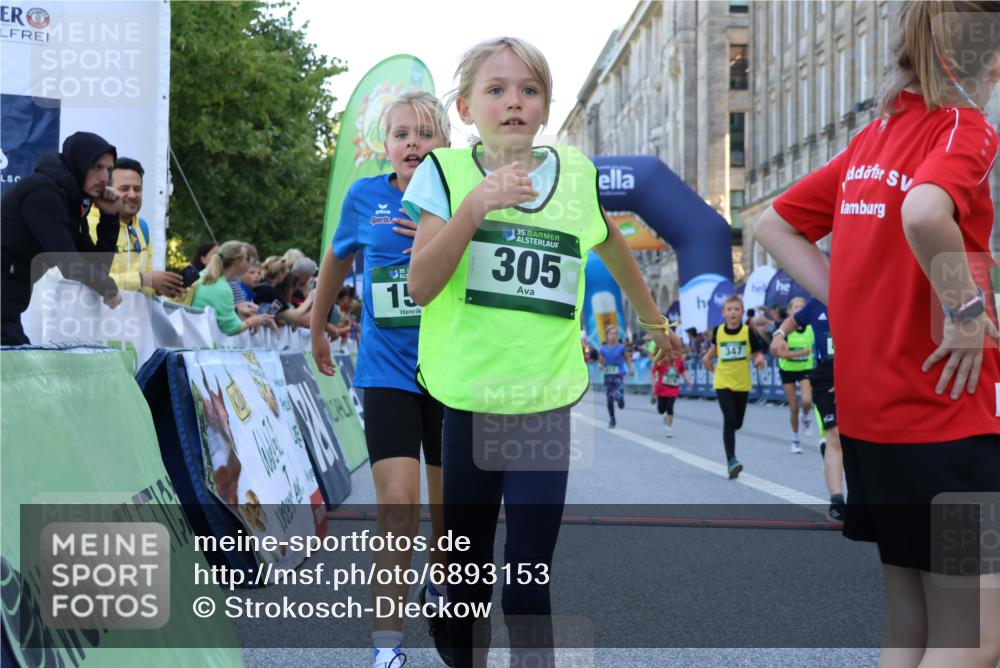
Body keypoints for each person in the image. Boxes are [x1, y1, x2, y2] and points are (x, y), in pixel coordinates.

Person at [403, 37, 682, 668]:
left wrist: (653, 320)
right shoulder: (443, 173)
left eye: (529, 91)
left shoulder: (576, 175)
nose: (513, 104)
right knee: (466, 579)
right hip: (468, 400)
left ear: (546, 107)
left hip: (543, 402)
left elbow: (612, 246)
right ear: (467, 107)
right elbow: (420, 285)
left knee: (528, 581)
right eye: (495, 90)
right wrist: (475, 206)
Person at [756, 3, 1000, 664]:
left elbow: (773, 225)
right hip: (947, 425)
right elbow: (925, 212)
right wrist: (967, 312)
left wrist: (853, 298)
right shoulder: (963, 129)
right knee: (974, 638)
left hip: (877, 430)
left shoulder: (871, 143)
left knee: (909, 628)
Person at [310, 90, 453, 668]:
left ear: (444, 142)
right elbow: (337, 260)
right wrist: (318, 326)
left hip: (452, 373)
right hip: (387, 371)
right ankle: (387, 647)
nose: (413, 143)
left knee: (449, 521)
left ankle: (443, 583)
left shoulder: (464, 193)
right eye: (402, 134)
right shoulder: (364, 197)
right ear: (387, 145)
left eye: (424, 133)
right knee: (397, 508)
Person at [1, 131, 123, 344]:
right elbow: (70, 264)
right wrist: (108, 287)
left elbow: (97, 267)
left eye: (109, 169)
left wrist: (110, 217)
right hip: (5, 314)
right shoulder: (43, 193)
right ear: (80, 163)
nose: (105, 178)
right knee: (22, 372)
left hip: (8, 312)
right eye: (97, 167)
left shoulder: (70, 201)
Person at [771, 296, 844, 519]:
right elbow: (792, 321)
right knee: (834, 434)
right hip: (825, 375)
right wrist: (779, 335)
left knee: (860, 439)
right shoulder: (818, 301)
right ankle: (838, 501)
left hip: (859, 372)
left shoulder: (863, 296)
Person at [86, 157, 183, 298]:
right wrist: (144, 279)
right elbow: (90, 281)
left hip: (132, 318)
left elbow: (144, 284)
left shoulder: (142, 227)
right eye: (124, 189)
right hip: (96, 318)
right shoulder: (88, 226)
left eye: (137, 189)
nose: (132, 195)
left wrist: (160, 287)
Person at [702, 295, 767, 478]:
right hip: (723, 382)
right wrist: (709, 363)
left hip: (742, 383)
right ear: (724, 313)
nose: (733, 312)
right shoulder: (718, 331)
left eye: (736, 309)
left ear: (742, 313)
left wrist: (760, 360)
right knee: (729, 420)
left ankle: (732, 457)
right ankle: (731, 460)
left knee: (738, 422)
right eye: (729, 309)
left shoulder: (748, 332)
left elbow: (757, 354)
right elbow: (712, 352)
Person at [191, 241, 274, 336]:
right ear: (238, 262)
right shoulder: (222, 288)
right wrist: (253, 321)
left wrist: (237, 311)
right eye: (247, 260)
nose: (249, 266)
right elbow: (231, 328)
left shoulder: (204, 275)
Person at [775, 296, 815, 453]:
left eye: (801, 306)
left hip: (805, 368)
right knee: (793, 407)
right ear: (790, 311)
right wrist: (802, 352)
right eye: (795, 307)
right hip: (787, 370)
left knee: (806, 401)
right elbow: (782, 354)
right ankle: (796, 438)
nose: (799, 309)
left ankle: (806, 416)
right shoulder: (784, 331)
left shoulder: (810, 328)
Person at [651, 345, 693, 437]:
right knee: (661, 410)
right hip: (661, 388)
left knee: (670, 407)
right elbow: (653, 372)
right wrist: (653, 385)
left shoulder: (679, 362)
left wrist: (688, 380)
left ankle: (668, 429)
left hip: (673, 388)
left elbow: (682, 371)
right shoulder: (661, 361)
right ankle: (664, 415)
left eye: (676, 352)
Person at [598, 326, 634, 428]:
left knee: (619, 396)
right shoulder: (603, 349)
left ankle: (620, 400)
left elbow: (627, 359)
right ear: (607, 335)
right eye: (611, 333)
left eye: (615, 334)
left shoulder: (621, 347)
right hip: (608, 376)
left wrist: (631, 368)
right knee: (609, 399)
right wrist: (600, 365)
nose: (613, 336)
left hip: (618, 376)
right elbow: (600, 361)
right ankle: (612, 419)